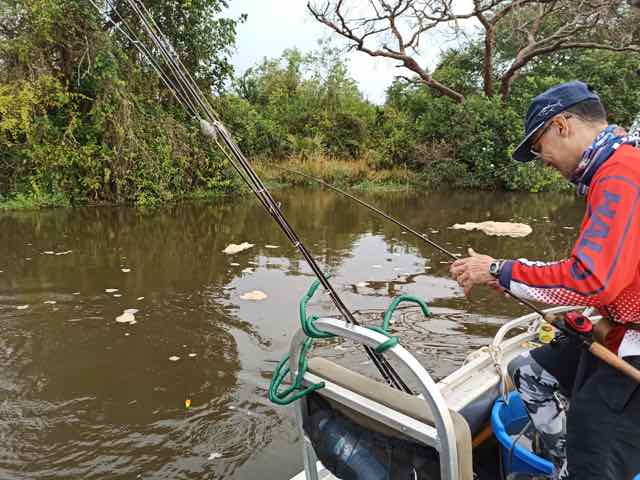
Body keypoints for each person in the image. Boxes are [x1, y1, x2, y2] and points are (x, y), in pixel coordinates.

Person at [449, 81, 640, 480]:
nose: (542, 159)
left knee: (596, 444)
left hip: (634, 343)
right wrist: (503, 276)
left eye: (539, 146)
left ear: (562, 125)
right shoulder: (613, 169)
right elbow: (595, 273)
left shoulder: (620, 175)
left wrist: (502, 270)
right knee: (532, 372)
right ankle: (564, 467)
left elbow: (591, 279)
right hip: (620, 328)